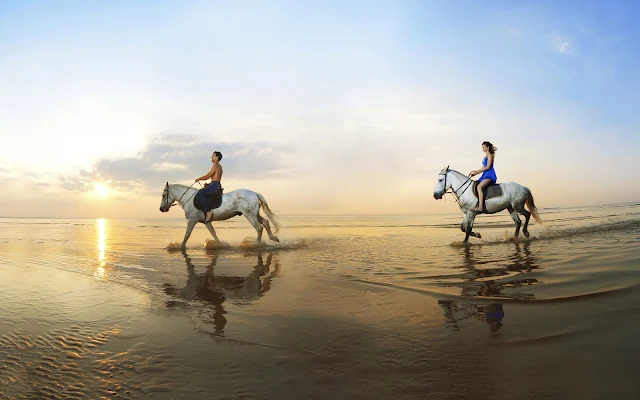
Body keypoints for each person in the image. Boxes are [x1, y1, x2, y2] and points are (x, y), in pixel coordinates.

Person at [469, 141, 497, 212]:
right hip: (484, 175)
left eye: (484, 147)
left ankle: (481, 207)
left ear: (488, 147)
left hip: (490, 175)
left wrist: (477, 171)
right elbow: (482, 168)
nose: (483, 149)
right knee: (475, 186)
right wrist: (475, 173)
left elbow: (488, 167)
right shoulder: (485, 157)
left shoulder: (490, 155)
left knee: (479, 187)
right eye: (482, 147)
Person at [195, 151, 223, 222]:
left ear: (217, 157)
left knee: (200, 194)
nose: (211, 157)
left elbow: (207, 176)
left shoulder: (216, 166)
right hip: (214, 184)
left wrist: (199, 179)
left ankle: (208, 211)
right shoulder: (218, 166)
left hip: (214, 185)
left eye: (213, 156)